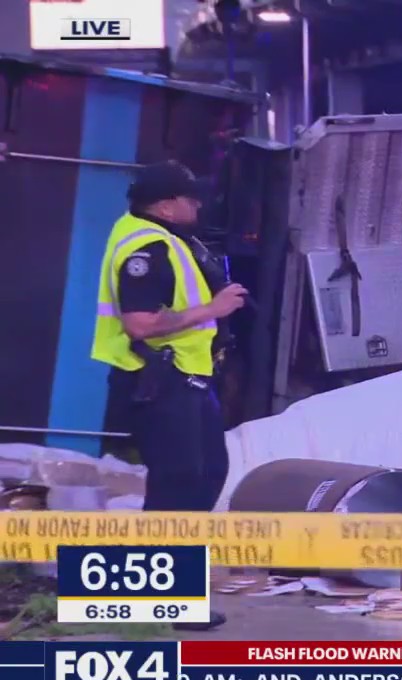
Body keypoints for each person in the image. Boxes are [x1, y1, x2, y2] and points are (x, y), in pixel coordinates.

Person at [92, 161, 247, 631]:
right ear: (164, 205)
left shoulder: (164, 238)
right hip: (161, 381)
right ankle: (162, 599)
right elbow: (139, 322)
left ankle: (160, 590)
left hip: (188, 379)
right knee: (177, 485)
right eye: (189, 197)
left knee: (204, 475)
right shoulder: (148, 246)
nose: (197, 204)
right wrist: (213, 309)